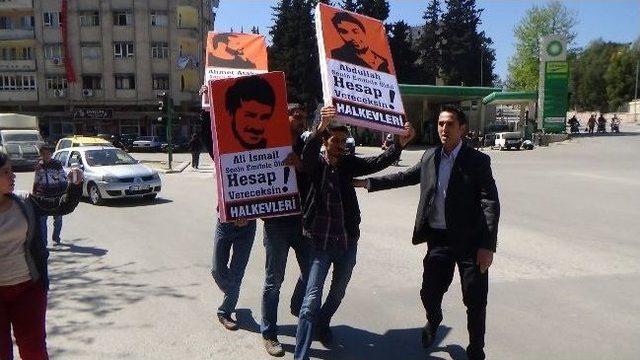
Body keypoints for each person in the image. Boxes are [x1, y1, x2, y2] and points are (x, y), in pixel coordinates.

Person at [353, 106, 500, 360]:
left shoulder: (477, 161)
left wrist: (488, 245)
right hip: (438, 239)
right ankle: (434, 320)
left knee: (475, 299)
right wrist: (368, 183)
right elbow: (404, 177)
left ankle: (476, 349)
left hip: (470, 242)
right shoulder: (430, 156)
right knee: (429, 292)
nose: (444, 128)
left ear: (462, 128)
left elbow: (490, 203)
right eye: (441, 124)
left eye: (450, 124)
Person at [293, 106, 415, 360]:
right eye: (334, 141)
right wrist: (320, 128)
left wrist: (398, 146)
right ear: (325, 142)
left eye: (343, 142)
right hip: (319, 244)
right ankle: (300, 355)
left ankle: (323, 323)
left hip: (347, 243)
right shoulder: (314, 164)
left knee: (337, 293)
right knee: (309, 303)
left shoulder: (348, 164)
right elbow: (305, 156)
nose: (339, 146)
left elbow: (376, 162)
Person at [0, 150, 83, 360]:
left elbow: (61, 206)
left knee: (34, 351)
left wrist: (75, 186)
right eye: (5, 172)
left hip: (28, 289)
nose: (13, 175)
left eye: (11, 170)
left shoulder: (25, 201)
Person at [200, 85, 257, 331]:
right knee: (217, 269)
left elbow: (270, 189)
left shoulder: (261, 155)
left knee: (238, 271)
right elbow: (206, 137)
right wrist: (205, 107)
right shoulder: (222, 153)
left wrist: (251, 214)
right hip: (225, 219)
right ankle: (231, 289)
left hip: (249, 223)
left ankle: (225, 310)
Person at [260, 103, 312, 357]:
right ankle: (269, 334)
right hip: (276, 222)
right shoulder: (269, 142)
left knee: (312, 272)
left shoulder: (308, 144)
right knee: (273, 281)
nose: (301, 121)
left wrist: (300, 164)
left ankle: (296, 303)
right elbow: (252, 172)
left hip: (303, 222)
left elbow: (316, 174)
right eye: (297, 116)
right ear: (286, 117)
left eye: (304, 117)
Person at [225, 76, 276, 150]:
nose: (257, 127)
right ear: (232, 113)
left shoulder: (277, 148)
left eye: (265, 117)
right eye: (250, 116)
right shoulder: (223, 146)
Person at [33, 145, 68, 246]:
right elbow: (36, 181)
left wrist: (65, 193)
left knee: (58, 218)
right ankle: (44, 242)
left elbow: (63, 178)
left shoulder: (57, 164)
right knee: (42, 220)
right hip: (42, 196)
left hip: (56, 195)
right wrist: (34, 195)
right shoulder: (38, 166)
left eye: (48, 154)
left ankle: (56, 238)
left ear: (51, 154)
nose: (46, 156)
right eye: (44, 154)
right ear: (41, 154)